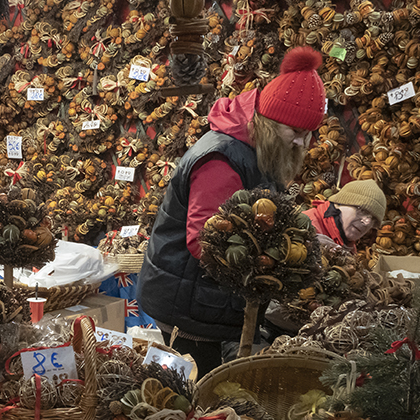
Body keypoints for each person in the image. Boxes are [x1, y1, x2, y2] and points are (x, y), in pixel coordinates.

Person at [137, 47, 326, 375]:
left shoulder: (256, 150)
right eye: (295, 132)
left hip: (210, 301)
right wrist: (281, 260)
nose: (302, 143)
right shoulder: (222, 161)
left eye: (309, 133)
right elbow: (205, 243)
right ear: (269, 121)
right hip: (189, 303)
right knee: (197, 390)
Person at [303, 180, 386, 251]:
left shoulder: (347, 245)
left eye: (373, 219)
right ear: (338, 204)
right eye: (361, 210)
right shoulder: (305, 228)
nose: (367, 222)